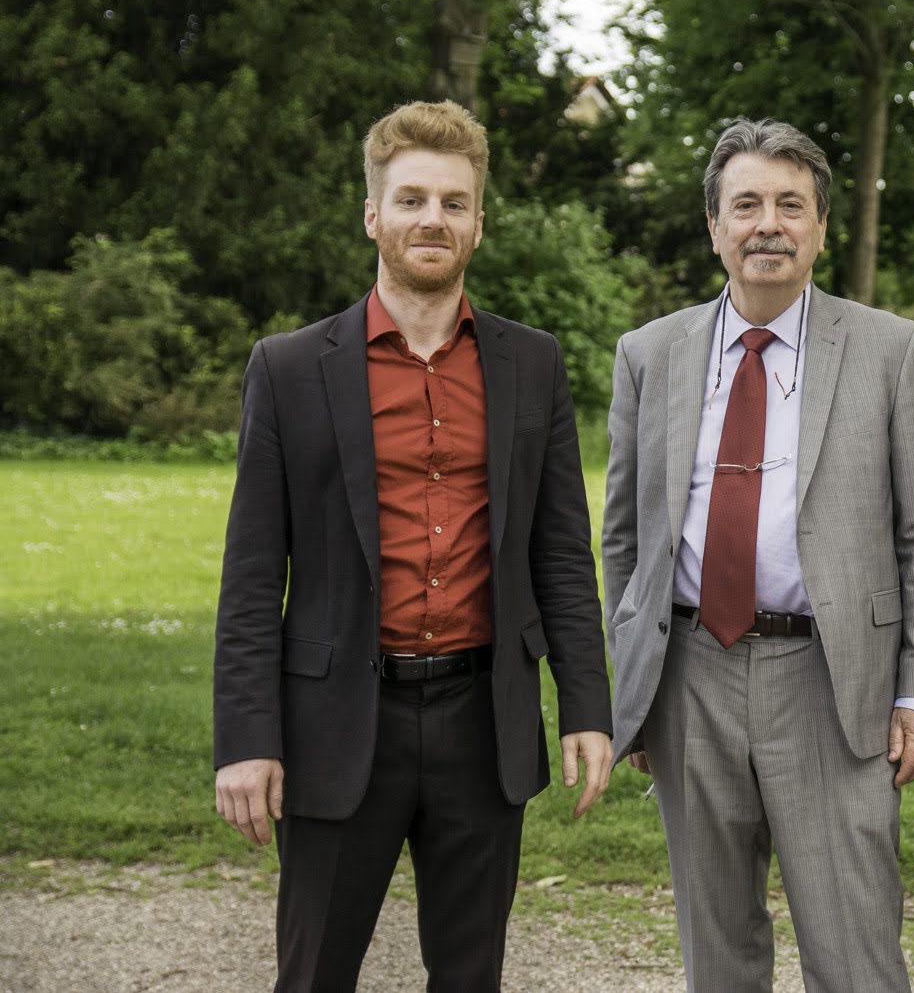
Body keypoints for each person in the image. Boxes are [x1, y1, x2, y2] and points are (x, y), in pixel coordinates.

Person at [212, 100, 615, 991]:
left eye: (454, 202)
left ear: (478, 221)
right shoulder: (287, 368)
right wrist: (246, 736)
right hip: (335, 725)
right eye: (411, 199)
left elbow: (560, 554)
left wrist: (586, 704)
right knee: (314, 973)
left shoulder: (533, 363)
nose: (433, 218)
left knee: (470, 975)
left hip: (484, 720)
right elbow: (249, 576)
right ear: (373, 215)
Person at [600, 117, 914, 992]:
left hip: (834, 677)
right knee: (716, 949)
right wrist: (636, 683)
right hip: (691, 673)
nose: (769, 223)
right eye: (747, 204)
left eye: (790, 205)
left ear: (821, 227)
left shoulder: (887, 347)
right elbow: (624, 536)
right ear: (716, 227)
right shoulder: (650, 354)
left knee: (855, 952)